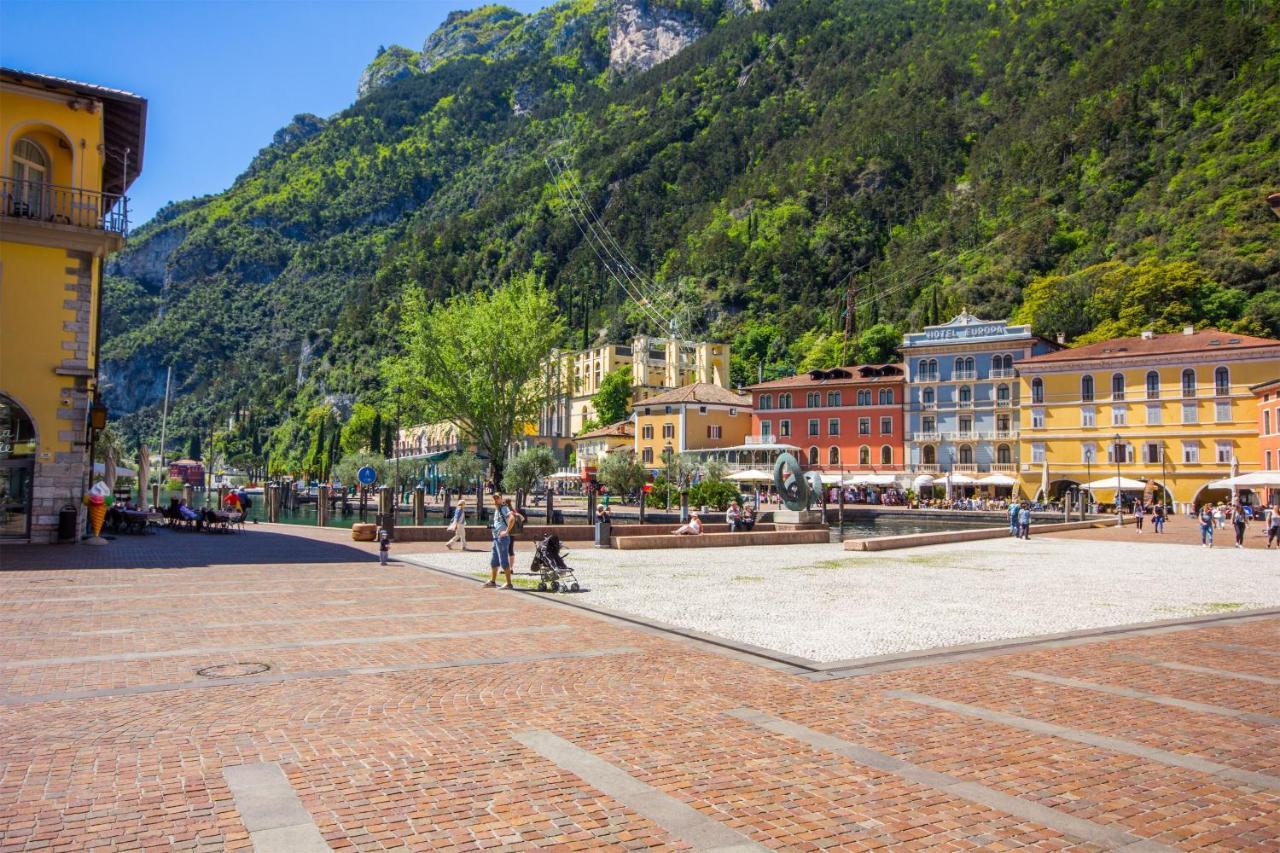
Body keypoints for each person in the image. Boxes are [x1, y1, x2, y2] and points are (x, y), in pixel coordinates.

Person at [485, 492, 515, 589]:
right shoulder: (497, 510)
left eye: (497, 498)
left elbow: (512, 519)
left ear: (501, 499)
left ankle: (509, 584)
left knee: (504, 561)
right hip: (496, 538)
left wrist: (506, 531)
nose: (495, 500)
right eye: (494, 498)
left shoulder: (504, 508)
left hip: (503, 539)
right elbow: (499, 522)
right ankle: (493, 581)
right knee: (494, 561)